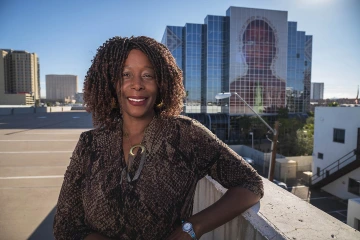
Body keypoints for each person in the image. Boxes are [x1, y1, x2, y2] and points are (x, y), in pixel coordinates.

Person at [53, 36, 264, 240]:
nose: (137, 84)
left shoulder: (186, 135)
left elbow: (251, 184)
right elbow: (66, 225)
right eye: (126, 75)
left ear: (162, 83)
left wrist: (194, 227)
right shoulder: (89, 144)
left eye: (148, 75)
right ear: (111, 83)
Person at [230, 19, 285, 114]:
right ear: (243, 50)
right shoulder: (233, 88)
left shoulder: (283, 87)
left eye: (265, 42)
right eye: (251, 42)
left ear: (274, 50)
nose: (258, 49)